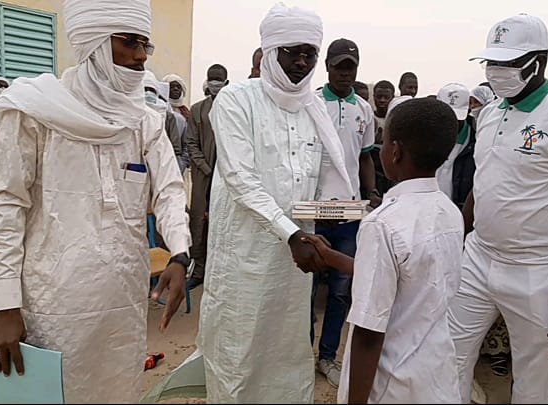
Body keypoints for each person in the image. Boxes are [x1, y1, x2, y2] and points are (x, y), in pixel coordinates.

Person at [0, 0, 192, 402]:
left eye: (144, 45)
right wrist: (6, 305)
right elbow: (5, 206)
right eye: (127, 43)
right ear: (93, 43)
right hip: (53, 302)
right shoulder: (34, 111)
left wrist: (180, 253)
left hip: (123, 301)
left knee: (119, 391)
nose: (139, 57)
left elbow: (168, 190)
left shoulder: (143, 120)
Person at [449, 13, 548, 404]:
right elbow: (479, 186)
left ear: (539, 62)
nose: (497, 72)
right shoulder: (488, 114)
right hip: (478, 259)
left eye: (508, 63)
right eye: (492, 63)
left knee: (533, 381)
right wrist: (458, 241)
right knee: (447, 357)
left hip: (537, 271)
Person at [198, 4, 354, 403]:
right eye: (291, 52)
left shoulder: (313, 108)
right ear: (269, 52)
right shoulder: (235, 99)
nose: (301, 62)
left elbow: (321, 183)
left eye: (309, 54)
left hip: (295, 261)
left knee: (286, 355)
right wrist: (291, 234)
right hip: (244, 261)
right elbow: (240, 178)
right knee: (238, 353)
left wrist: (342, 215)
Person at [305, 98, 464, 403]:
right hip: (434, 372)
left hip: (391, 381)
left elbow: (368, 333)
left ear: (395, 151)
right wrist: (333, 258)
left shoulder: (383, 223)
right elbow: (407, 276)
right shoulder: (447, 211)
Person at [310, 38, 378, 388]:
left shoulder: (363, 110)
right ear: (327, 67)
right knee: (304, 289)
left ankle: (326, 356)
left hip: (350, 214)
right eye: (339, 66)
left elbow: (365, 157)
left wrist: (371, 193)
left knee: (340, 290)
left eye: (350, 66)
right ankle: (298, 353)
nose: (344, 73)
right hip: (311, 211)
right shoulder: (312, 103)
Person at [186, 63, 228, 289]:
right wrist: (205, 167)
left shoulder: (234, 107)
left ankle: (218, 272)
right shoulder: (197, 110)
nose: (215, 83)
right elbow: (191, 143)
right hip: (204, 176)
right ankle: (199, 270)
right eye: (211, 79)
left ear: (226, 82)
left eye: (218, 79)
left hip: (228, 176)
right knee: (199, 222)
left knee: (222, 222)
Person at [435, 83, 476, 209]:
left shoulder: (477, 140)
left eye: (457, 117)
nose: (451, 122)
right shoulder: (425, 137)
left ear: (468, 110)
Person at [143, 70, 184, 173]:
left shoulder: (169, 116)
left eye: (151, 90)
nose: (148, 93)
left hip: (164, 164)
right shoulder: (132, 113)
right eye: (145, 89)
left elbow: (176, 147)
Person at [371, 80, 395, 195]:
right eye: (379, 97)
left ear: (392, 98)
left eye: (386, 97)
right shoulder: (369, 118)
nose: (382, 100)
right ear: (373, 96)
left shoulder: (396, 121)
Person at [163, 74, 190, 171]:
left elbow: (188, 143)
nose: (175, 89)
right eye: (172, 86)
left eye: (178, 87)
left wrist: (182, 163)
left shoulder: (186, 114)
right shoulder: (159, 109)